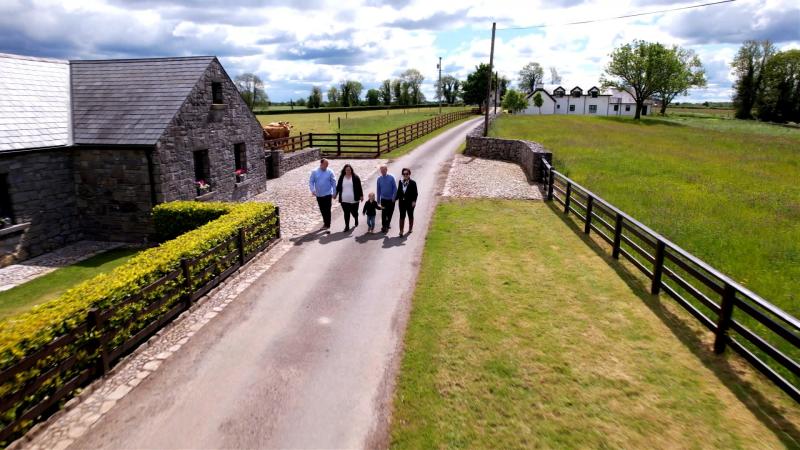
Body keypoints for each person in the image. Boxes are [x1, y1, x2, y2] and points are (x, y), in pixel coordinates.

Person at [309, 158, 336, 231]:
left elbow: (334, 182)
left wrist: (334, 192)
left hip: (328, 194)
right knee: (322, 210)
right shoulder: (314, 172)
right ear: (321, 164)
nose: (326, 166)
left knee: (327, 209)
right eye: (325, 164)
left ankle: (327, 224)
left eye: (327, 165)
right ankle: (325, 223)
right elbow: (311, 182)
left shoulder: (330, 172)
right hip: (319, 195)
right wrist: (312, 190)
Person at [335, 164, 363, 232]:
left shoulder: (356, 177)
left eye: (349, 170)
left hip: (354, 199)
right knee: (346, 213)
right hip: (344, 199)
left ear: (351, 170)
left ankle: (356, 218)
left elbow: (359, 187)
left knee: (354, 212)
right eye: (347, 170)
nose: (348, 171)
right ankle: (347, 226)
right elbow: (338, 187)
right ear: (344, 170)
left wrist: (361, 196)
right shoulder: (342, 177)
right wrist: (335, 194)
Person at [396, 168, 418, 236]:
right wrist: (395, 199)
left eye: (407, 174)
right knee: (402, 216)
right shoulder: (400, 182)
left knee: (410, 215)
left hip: (410, 202)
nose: (405, 175)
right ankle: (401, 231)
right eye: (404, 174)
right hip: (402, 203)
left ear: (409, 174)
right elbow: (399, 192)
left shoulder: (413, 183)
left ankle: (410, 228)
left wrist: (414, 201)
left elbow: (415, 193)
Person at [376, 165, 397, 233]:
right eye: (381, 170)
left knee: (390, 213)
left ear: (386, 170)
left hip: (391, 199)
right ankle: (384, 226)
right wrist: (378, 199)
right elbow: (378, 189)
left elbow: (395, 188)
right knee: (384, 213)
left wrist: (394, 197)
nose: (382, 172)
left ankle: (388, 223)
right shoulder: (379, 179)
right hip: (383, 199)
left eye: (384, 170)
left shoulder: (391, 178)